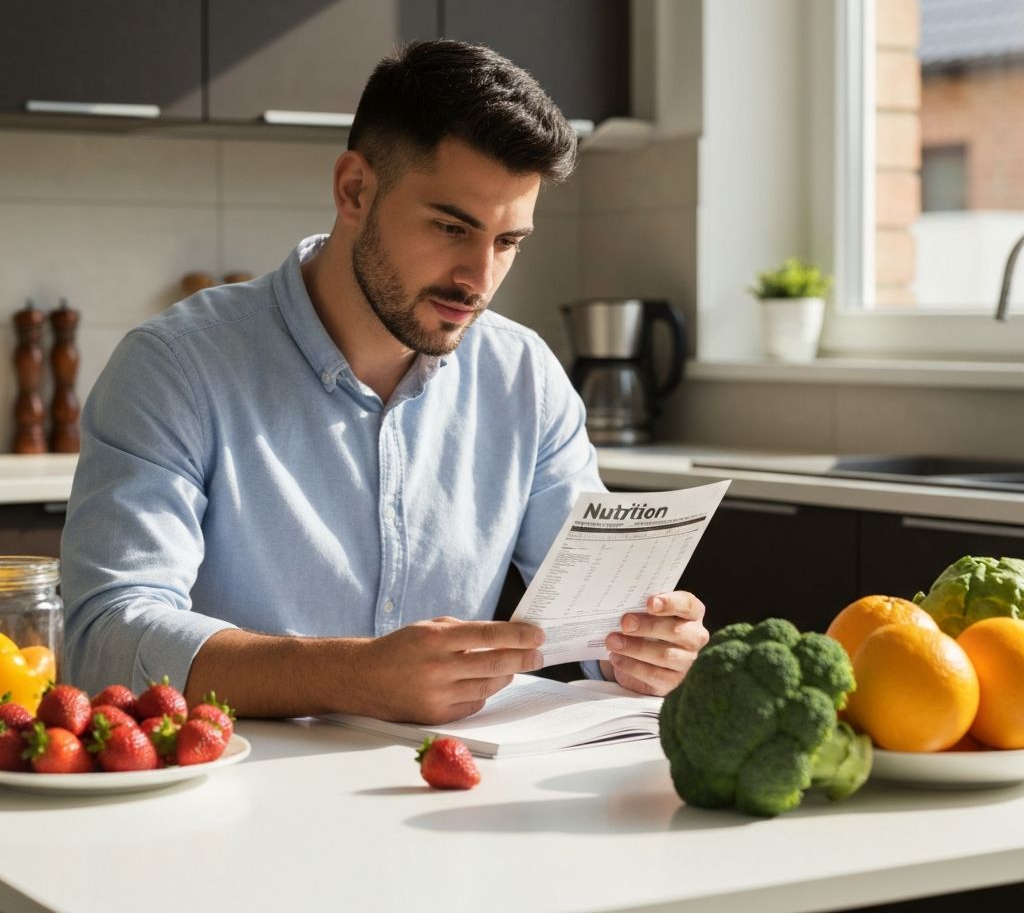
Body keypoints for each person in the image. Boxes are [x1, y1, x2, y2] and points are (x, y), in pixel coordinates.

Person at [61, 40, 709, 724]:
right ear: (354, 191)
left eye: (508, 242)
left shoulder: (527, 378)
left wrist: (642, 646)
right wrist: (349, 676)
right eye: (451, 227)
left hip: (449, 796)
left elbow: (597, 617)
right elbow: (106, 635)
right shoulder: (175, 369)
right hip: (237, 798)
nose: (479, 279)